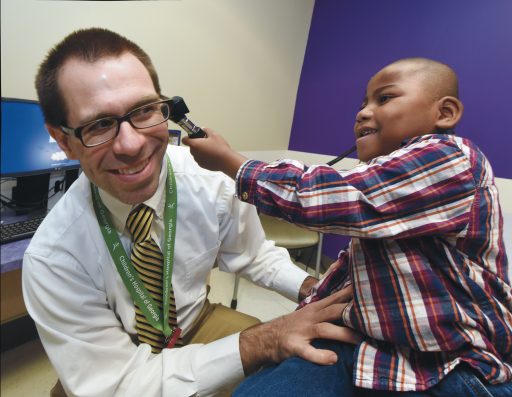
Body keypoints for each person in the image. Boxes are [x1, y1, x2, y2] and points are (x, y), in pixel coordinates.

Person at [21, 28, 361, 397]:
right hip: (120, 355)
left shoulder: (209, 181)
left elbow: (253, 255)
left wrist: (314, 288)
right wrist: (262, 340)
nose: (133, 144)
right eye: (99, 124)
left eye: (144, 110)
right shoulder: (53, 257)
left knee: (291, 374)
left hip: (195, 323)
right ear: (63, 141)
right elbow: (116, 384)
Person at [184, 58, 512, 396]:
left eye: (384, 99)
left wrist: (231, 162)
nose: (363, 112)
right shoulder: (386, 190)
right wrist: (307, 306)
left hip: (450, 364)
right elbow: (348, 277)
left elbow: (328, 196)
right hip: (364, 346)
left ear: (444, 113)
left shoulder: (452, 158)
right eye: (362, 104)